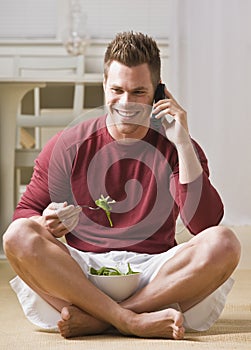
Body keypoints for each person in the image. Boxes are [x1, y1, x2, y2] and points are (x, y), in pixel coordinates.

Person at [3, 31, 240, 340]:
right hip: (80, 276)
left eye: (139, 92)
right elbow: (24, 216)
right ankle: (132, 320)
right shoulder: (68, 145)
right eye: (117, 90)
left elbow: (204, 224)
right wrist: (44, 221)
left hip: (156, 277)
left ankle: (102, 320)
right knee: (18, 234)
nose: (126, 103)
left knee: (224, 242)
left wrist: (181, 142)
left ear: (158, 93)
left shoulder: (177, 147)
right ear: (104, 86)